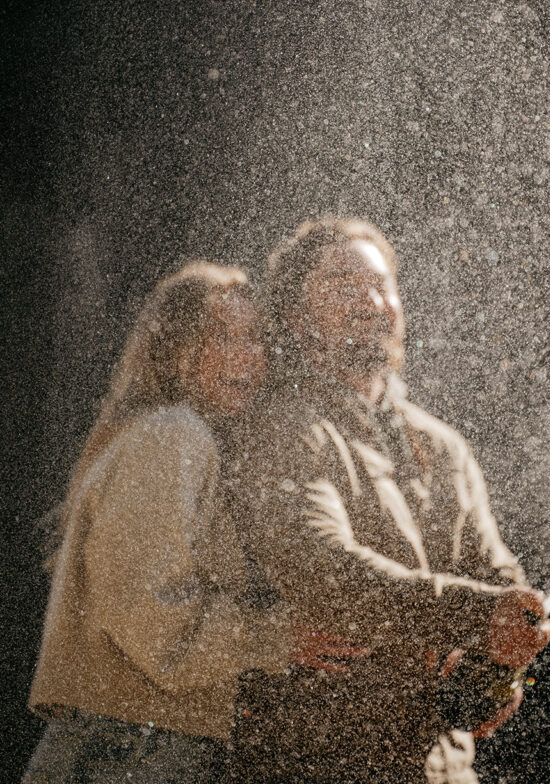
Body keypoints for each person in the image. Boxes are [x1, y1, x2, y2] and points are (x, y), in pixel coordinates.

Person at [228, 219, 550, 782]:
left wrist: (504, 659)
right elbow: (324, 573)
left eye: (381, 285)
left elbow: (500, 576)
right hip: (318, 764)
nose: (372, 301)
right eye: (344, 286)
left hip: (443, 769)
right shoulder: (281, 428)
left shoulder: (442, 445)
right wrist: (478, 616)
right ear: (297, 318)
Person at [24, 261, 362, 784]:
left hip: (132, 742)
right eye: (221, 335)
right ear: (175, 348)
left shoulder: (174, 435)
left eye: (255, 338)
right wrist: (277, 636)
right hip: (129, 749)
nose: (246, 356)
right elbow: (149, 615)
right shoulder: (172, 435)